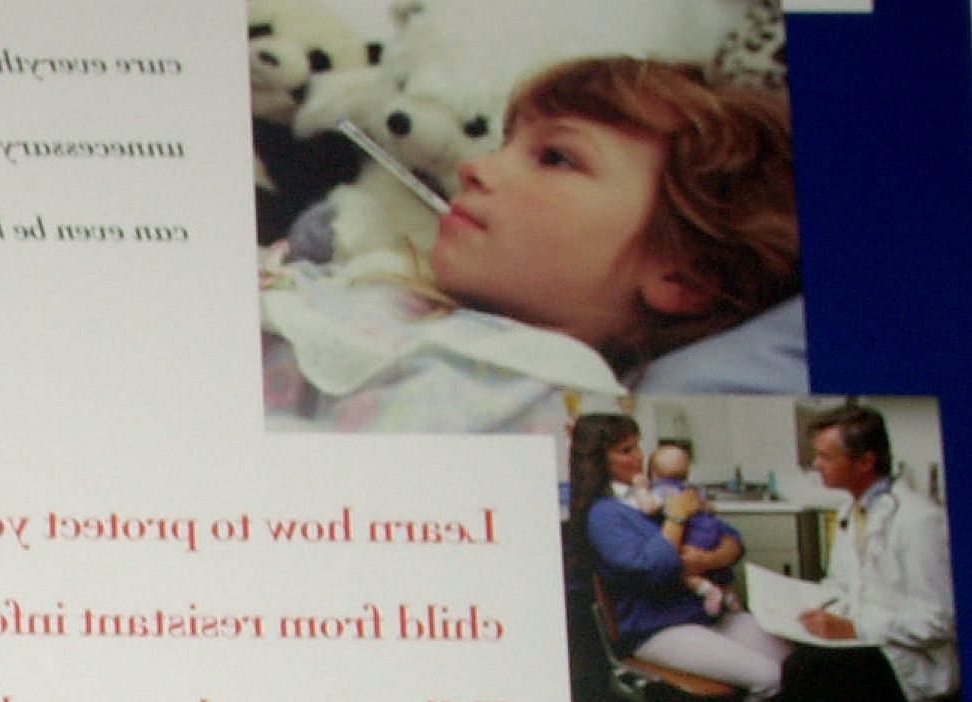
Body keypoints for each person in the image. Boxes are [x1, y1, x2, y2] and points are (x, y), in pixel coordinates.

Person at [265, 56, 797, 431]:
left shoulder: (528, 392)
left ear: (683, 275)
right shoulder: (420, 301)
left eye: (556, 158)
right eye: (505, 143)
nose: (474, 167)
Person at [572, 406, 788, 697]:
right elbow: (654, 570)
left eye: (637, 446)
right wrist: (676, 518)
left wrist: (711, 558)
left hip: (705, 614)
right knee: (769, 676)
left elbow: (728, 535)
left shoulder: (657, 491)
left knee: (792, 663)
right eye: (625, 450)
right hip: (658, 628)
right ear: (599, 460)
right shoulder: (604, 515)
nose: (638, 457)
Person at [793, 403, 961, 702]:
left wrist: (855, 628)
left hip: (912, 660)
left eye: (824, 457)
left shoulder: (920, 520)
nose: (816, 465)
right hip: (867, 643)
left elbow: (940, 620)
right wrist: (813, 610)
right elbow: (841, 584)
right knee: (798, 660)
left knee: (812, 673)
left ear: (865, 462)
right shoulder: (852, 510)